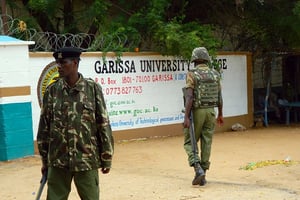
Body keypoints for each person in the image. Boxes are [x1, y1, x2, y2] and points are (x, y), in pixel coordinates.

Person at [37, 47, 114, 200]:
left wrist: (107, 157)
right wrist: (45, 161)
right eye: (57, 62)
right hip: (58, 161)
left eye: (63, 62)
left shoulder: (92, 89)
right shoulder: (52, 91)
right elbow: (44, 128)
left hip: (86, 160)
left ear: (75, 63)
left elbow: (103, 124)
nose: (59, 66)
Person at [183, 47, 223, 186]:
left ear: (194, 59)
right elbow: (219, 97)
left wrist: (186, 117)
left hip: (197, 111)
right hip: (211, 111)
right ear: (206, 59)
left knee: (190, 141)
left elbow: (189, 96)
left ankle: (197, 168)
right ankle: (203, 173)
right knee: (207, 142)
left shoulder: (192, 74)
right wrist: (221, 114)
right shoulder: (215, 74)